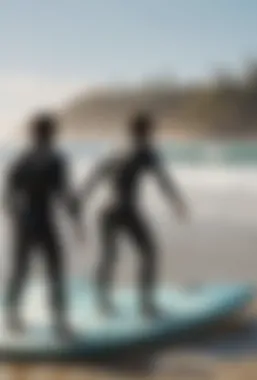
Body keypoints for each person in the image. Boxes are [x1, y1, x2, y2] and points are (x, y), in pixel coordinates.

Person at [81, 111, 188, 318]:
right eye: (151, 130)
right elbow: (163, 180)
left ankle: (101, 301)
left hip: (105, 211)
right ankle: (146, 305)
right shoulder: (146, 151)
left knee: (108, 257)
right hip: (126, 210)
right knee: (149, 253)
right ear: (146, 131)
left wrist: (80, 202)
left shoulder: (116, 150)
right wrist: (177, 202)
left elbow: (94, 176)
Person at [3, 112, 81, 339]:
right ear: (51, 133)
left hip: (23, 222)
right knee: (55, 270)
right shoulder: (56, 159)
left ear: (32, 133)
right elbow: (64, 194)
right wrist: (77, 218)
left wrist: (15, 218)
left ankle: (12, 317)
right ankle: (59, 322)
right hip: (44, 221)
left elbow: (7, 196)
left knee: (20, 270)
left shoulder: (20, 159)